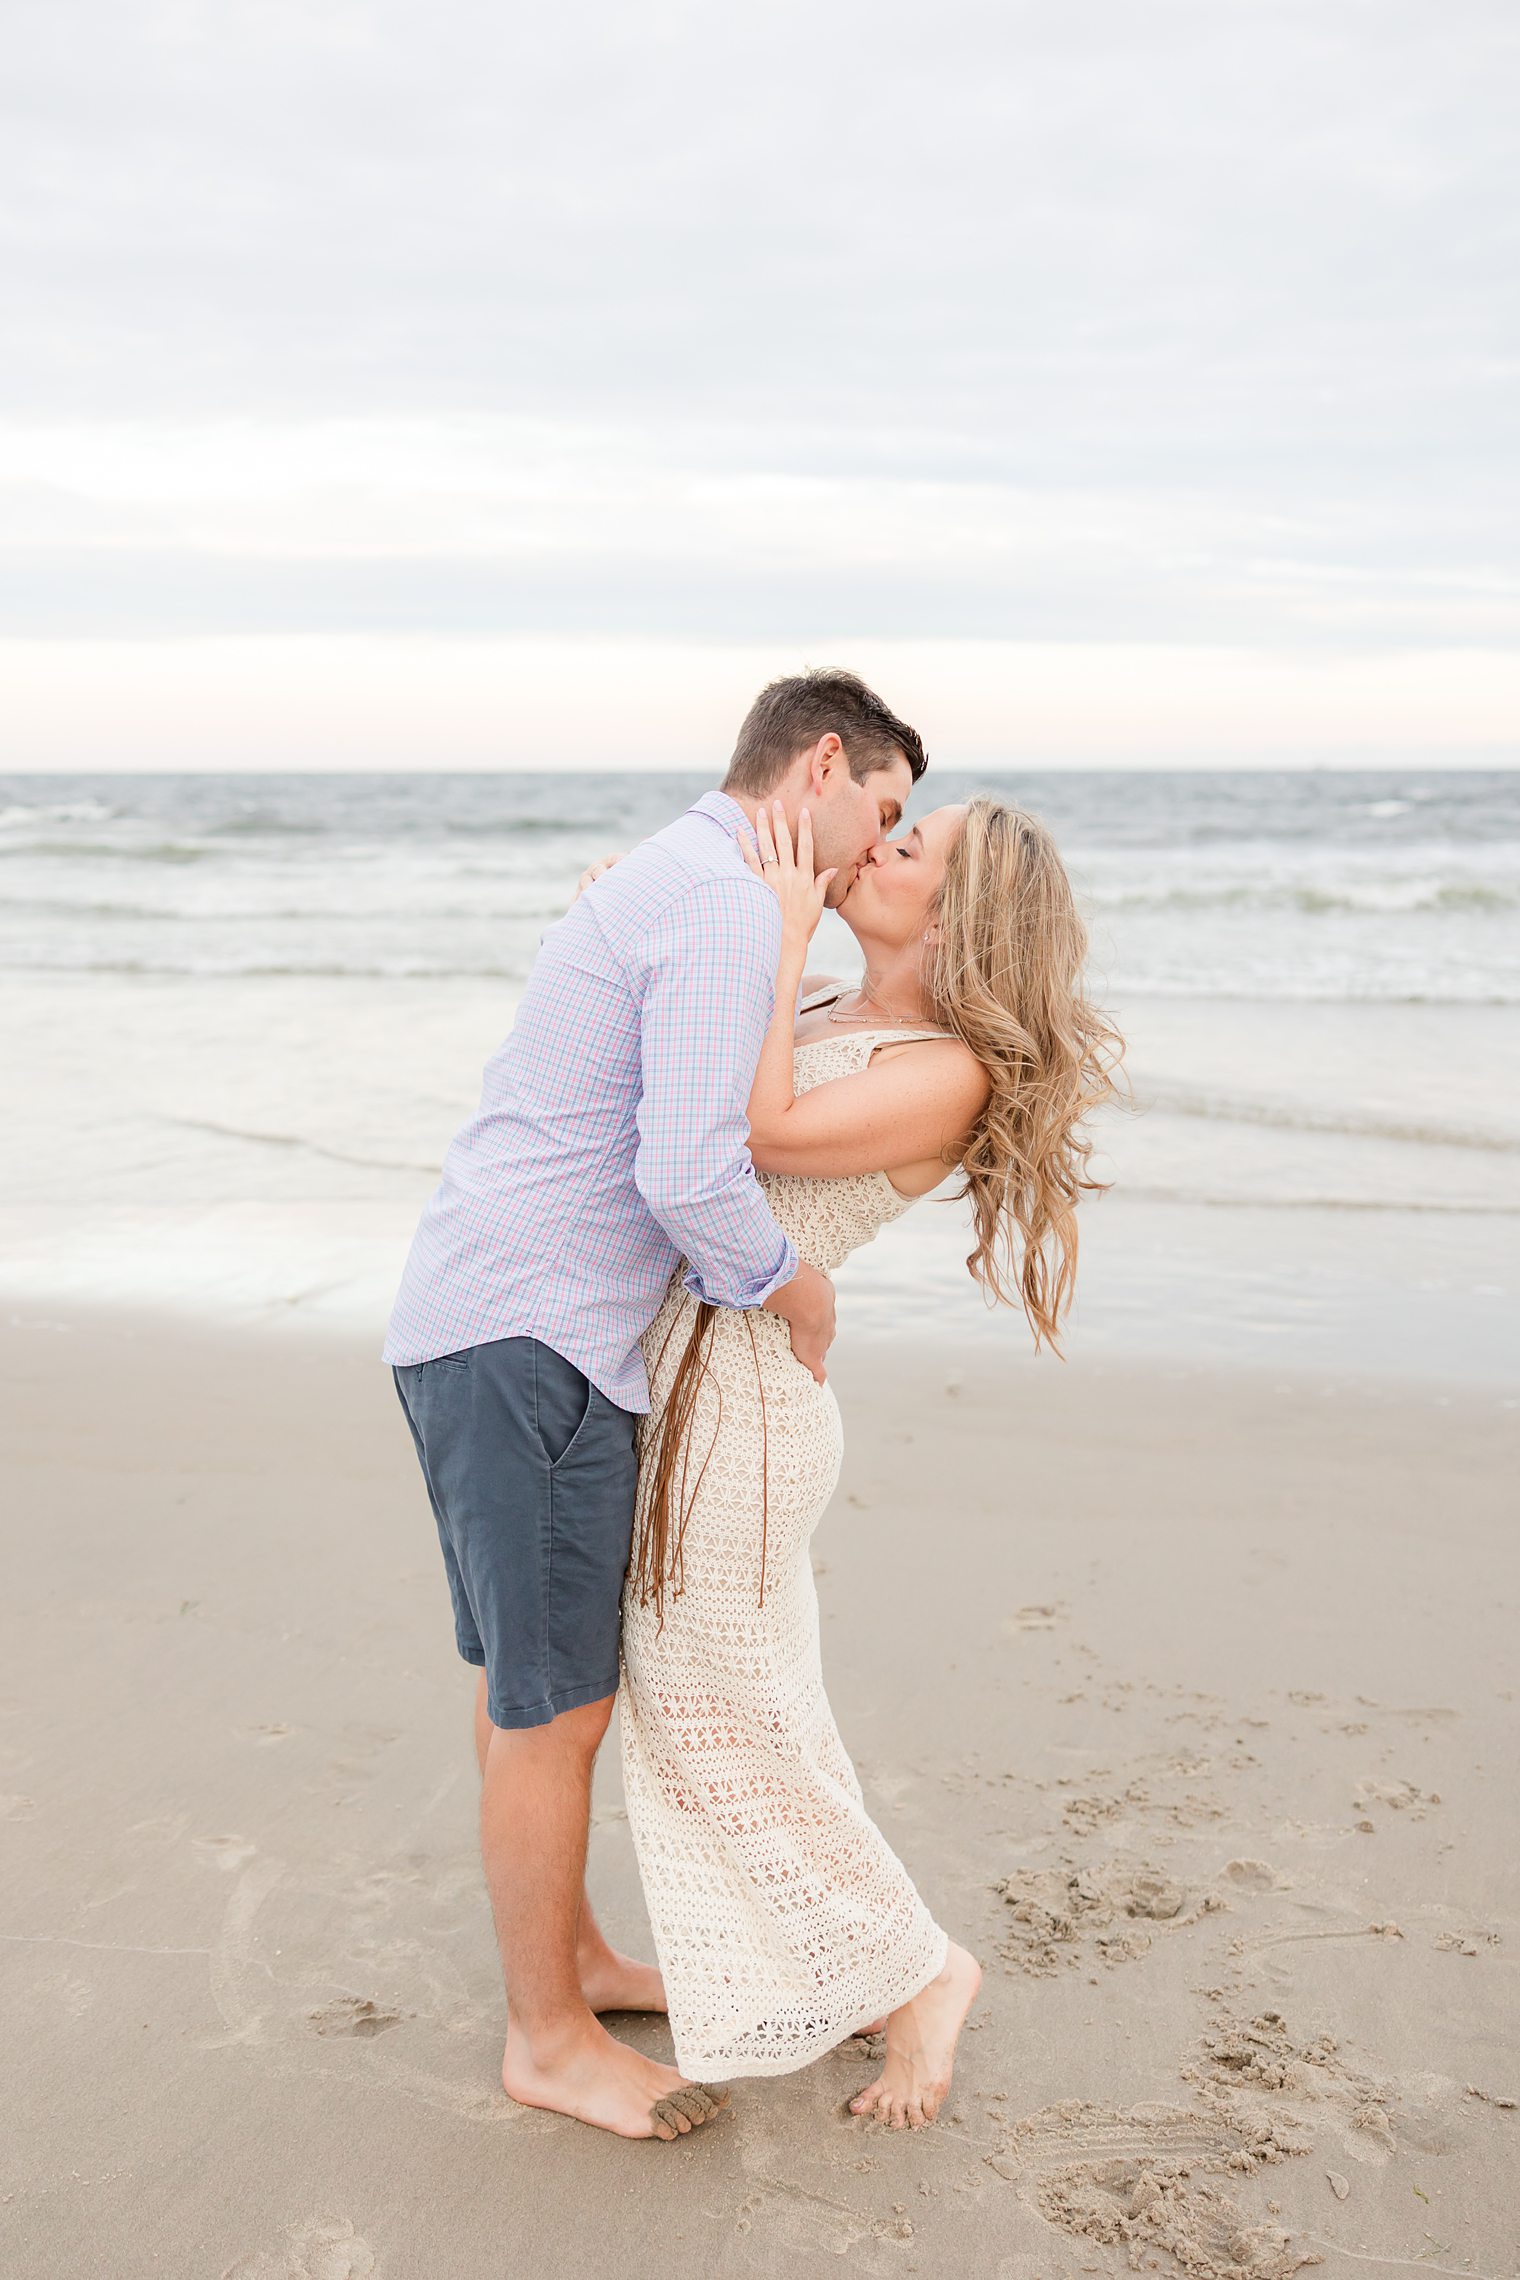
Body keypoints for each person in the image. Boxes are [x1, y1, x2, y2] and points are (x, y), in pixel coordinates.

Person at [384, 669, 926, 2140]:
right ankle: (548, 2038)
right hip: (535, 1340)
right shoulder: (719, 903)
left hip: (478, 1321)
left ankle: (573, 1960)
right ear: (823, 764)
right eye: (882, 810)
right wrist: (791, 1287)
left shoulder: (689, 881)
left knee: (529, 1692)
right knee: (556, 1709)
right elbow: (690, 1170)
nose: (882, 840)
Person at [615, 792, 1123, 2129]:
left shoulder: (945, 1067)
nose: (872, 850)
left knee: (714, 1708)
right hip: (692, 1382)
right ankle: (867, 1961)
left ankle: (921, 1976)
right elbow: (695, 1082)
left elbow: (758, 1134)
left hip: (746, 1412)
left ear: (957, 913)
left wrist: (775, 935)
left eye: (907, 848)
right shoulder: (839, 1002)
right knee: (759, 1703)